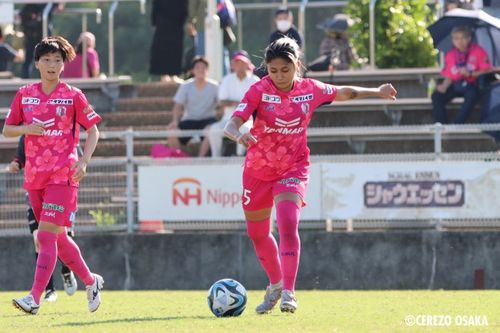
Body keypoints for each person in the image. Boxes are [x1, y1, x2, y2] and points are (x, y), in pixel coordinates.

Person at [224, 37, 397, 314]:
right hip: (257, 170)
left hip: (293, 167)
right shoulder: (258, 91)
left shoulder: (311, 89)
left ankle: (290, 292)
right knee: (257, 234)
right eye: (273, 70)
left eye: (285, 70)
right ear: (266, 69)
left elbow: (344, 92)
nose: (279, 76)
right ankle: (276, 284)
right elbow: (232, 123)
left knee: (288, 222)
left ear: (297, 66)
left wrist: (377, 91)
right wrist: (239, 134)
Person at [3, 36, 103, 315]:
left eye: (57, 60)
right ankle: (90, 280)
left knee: (44, 236)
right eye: (46, 60)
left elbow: (93, 129)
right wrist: (26, 129)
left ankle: (35, 298)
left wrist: (83, 161)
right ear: (36, 63)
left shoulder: (73, 95)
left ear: (63, 65)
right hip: (35, 176)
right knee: (57, 238)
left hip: (64, 173)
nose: (52, 65)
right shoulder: (24, 94)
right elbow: (7, 131)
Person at [9, 135, 78, 302]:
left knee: (63, 237)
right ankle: (49, 290)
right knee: (39, 240)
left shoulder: (63, 130)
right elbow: (20, 158)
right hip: (35, 192)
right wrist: (16, 164)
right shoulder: (27, 133)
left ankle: (67, 271)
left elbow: (77, 154)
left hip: (60, 191)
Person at [201, 50, 259, 157]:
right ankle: (216, 159)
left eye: (243, 63)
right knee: (214, 130)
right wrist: (241, 104)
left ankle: (239, 156)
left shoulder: (255, 80)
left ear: (248, 64)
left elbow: (258, 104)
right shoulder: (227, 79)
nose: (240, 66)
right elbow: (222, 102)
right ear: (232, 65)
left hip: (250, 120)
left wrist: (238, 105)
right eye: (237, 63)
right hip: (227, 119)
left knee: (244, 129)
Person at [432, 26, 492, 124]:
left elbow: (487, 70)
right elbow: (449, 76)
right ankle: (442, 125)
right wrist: (444, 86)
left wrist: (471, 73)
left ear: (468, 38)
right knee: (436, 96)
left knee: (472, 95)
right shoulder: (450, 54)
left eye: (462, 38)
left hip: (472, 85)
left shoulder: (478, 51)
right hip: (456, 85)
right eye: (455, 38)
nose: (459, 41)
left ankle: (457, 124)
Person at [166, 56, 218, 156]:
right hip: (189, 119)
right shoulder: (185, 86)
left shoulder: (215, 86)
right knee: (172, 131)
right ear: (193, 70)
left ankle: (200, 159)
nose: (201, 70)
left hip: (208, 119)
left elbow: (222, 104)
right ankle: (180, 159)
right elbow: (178, 106)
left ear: (207, 70)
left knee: (211, 129)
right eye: (198, 67)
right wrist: (175, 121)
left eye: (203, 68)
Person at [19, 3, 63, 78]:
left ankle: (26, 80)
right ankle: (46, 80)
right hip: (41, 33)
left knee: (30, 59)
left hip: (32, 33)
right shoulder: (48, 4)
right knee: (47, 57)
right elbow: (58, 7)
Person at [150, 0, 188, 83]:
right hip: (162, 23)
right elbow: (155, 7)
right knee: (162, 50)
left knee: (175, 50)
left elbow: (185, 7)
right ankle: (164, 75)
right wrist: (154, 23)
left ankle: (174, 75)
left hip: (177, 24)